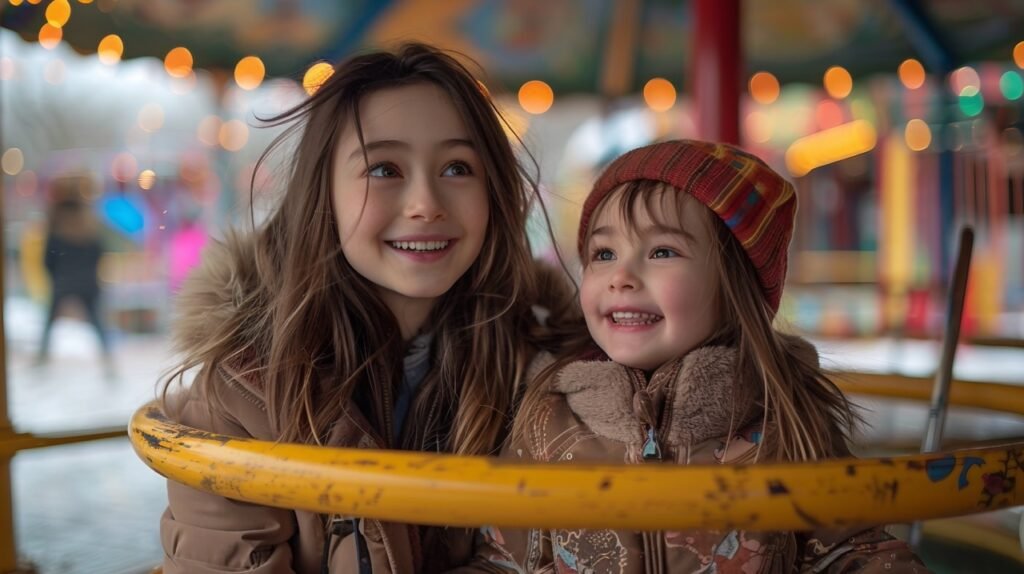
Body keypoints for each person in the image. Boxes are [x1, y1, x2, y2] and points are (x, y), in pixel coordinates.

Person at [159, 43, 574, 573]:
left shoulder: (542, 374)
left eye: (456, 167)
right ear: (322, 194)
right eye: (383, 169)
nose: (426, 203)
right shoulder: (241, 392)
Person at [465, 140, 930, 573]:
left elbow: (854, 551)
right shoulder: (549, 416)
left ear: (733, 285)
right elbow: (503, 559)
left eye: (662, 251)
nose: (621, 276)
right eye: (603, 253)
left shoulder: (785, 416)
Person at [36, 186, 113, 372]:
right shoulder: (90, 228)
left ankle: (41, 359)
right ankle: (108, 361)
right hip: (87, 282)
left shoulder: (57, 230)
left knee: (49, 323)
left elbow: (47, 259)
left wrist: (57, 276)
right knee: (98, 324)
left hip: (63, 281)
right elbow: (99, 253)